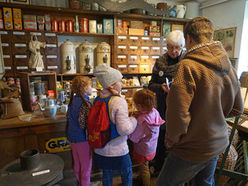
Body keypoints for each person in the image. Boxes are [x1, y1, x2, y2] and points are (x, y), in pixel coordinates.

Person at [156, 16, 243, 186]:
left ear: (188, 39)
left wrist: (171, 140)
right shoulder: (228, 66)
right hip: (216, 142)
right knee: (204, 183)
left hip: (191, 147)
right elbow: (237, 109)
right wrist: (213, 118)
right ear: (210, 36)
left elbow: (178, 113)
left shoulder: (188, 66)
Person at [93, 64, 137, 186]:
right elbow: (124, 129)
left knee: (107, 175)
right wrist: (134, 120)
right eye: (120, 81)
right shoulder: (118, 101)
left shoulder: (97, 99)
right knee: (127, 173)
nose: (122, 84)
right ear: (112, 84)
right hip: (118, 150)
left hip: (101, 148)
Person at [148, 30, 185, 173]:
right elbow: (151, 85)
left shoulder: (186, 63)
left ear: (182, 47)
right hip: (162, 107)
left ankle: (175, 169)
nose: (174, 51)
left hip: (179, 108)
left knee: (177, 139)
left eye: (177, 48)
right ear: (167, 46)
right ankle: (158, 167)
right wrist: (162, 88)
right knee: (161, 137)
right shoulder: (160, 62)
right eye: (170, 47)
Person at [129, 89, 164, 186]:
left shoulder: (141, 120)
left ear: (140, 106)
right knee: (145, 165)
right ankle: (142, 178)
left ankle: (146, 183)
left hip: (142, 149)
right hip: (151, 147)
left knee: (144, 168)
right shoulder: (154, 112)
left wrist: (128, 132)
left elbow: (135, 136)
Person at [67, 76, 93, 186]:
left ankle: (80, 183)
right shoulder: (86, 103)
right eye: (90, 86)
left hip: (72, 138)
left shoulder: (73, 101)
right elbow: (84, 124)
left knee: (77, 164)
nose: (92, 88)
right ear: (85, 88)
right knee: (86, 168)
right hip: (83, 139)